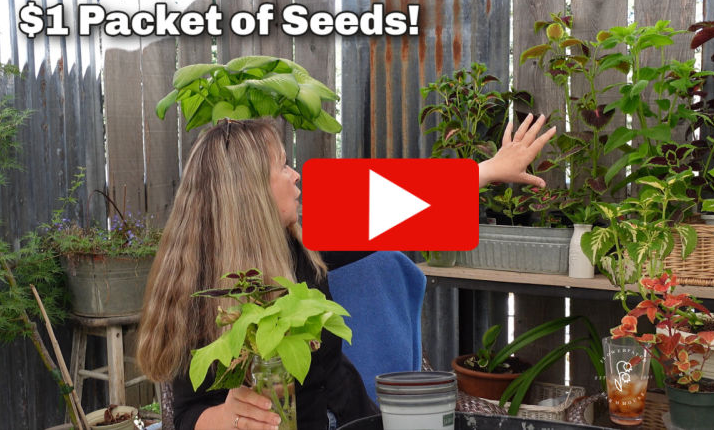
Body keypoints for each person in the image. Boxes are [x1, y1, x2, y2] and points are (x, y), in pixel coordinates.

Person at [136, 114, 555, 430]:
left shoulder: (304, 236)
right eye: (282, 167)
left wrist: (493, 169)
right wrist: (228, 415)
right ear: (250, 192)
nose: (295, 176)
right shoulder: (201, 286)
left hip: (355, 418)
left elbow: (398, 204)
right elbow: (188, 413)